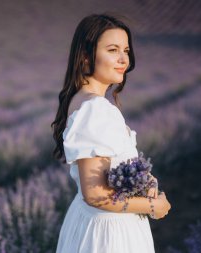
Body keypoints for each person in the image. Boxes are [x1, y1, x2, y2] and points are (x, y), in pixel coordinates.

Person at [51, 13, 171, 253]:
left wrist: (141, 183)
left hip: (95, 223)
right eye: (113, 50)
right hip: (108, 235)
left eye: (126, 50)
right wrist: (150, 206)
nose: (123, 59)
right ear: (86, 56)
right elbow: (95, 194)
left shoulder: (84, 101)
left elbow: (105, 179)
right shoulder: (95, 108)